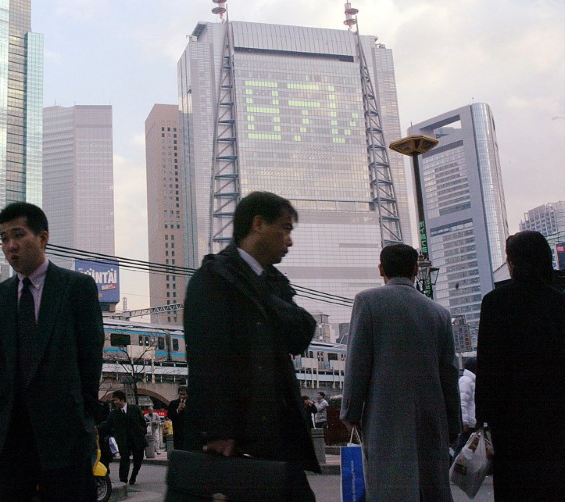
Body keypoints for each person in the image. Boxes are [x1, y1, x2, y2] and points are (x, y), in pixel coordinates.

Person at [182, 191, 320, 498]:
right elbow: (206, 359)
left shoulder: (272, 282)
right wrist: (219, 430)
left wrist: (258, 294)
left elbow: (301, 333)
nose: (289, 240)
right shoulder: (213, 278)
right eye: (284, 228)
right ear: (258, 224)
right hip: (238, 438)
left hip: (277, 431)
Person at [0, 202, 104, 501]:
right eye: (4, 238)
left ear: (43, 238)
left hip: (63, 432)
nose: (11, 245)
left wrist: (82, 413)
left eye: (18, 235)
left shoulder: (76, 288)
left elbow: (91, 357)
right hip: (7, 435)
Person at [340, 243, 460, 502]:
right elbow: (449, 373)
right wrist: (453, 424)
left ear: (381, 269)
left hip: (384, 415)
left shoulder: (368, 302)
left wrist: (350, 411)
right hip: (431, 416)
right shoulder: (439, 313)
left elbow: (358, 361)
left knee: (390, 485)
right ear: (416, 269)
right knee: (430, 487)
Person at [476, 231, 565, 501]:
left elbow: (487, 364)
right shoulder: (559, 303)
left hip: (511, 421)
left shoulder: (496, 303)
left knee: (515, 488)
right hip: (555, 419)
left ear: (513, 263)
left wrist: (483, 416)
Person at [98, 391, 147, 485]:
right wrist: (97, 428)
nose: (114, 402)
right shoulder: (114, 414)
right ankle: (123, 481)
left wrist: (142, 431)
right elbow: (106, 424)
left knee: (138, 460)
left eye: (116, 400)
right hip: (123, 440)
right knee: (124, 459)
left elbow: (142, 422)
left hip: (137, 439)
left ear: (121, 399)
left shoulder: (135, 409)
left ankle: (133, 476)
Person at [455, 357, 477, 457]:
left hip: (473, 424)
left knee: (468, 451)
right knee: (462, 450)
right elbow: (462, 403)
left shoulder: (471, 381)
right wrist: (465, 422)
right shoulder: (466, 381)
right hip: (469, 425)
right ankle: (454, 470)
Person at [166, 385, 188, 450]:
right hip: (178, 431)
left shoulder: (191, 403)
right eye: (181, 394)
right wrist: (178, 410)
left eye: (184, 394)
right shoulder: (173, 403)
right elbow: (169, 415)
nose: (182, 396)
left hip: (189, 431)